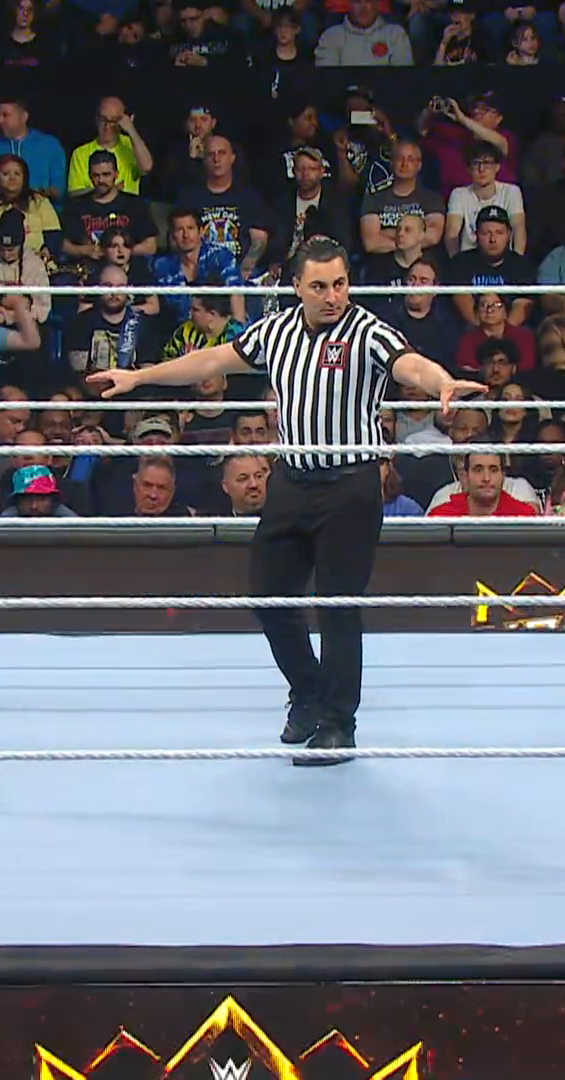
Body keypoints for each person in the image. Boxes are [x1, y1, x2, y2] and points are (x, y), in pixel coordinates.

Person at [87, 237, 483, 763]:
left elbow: (409, 365)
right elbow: (211, 360)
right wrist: (138, 376)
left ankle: (338, 724)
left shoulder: (367, 331)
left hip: (350, 484)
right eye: (319, 286)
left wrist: (442, 382)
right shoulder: (276, 332)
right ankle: (308, 691)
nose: (332, 296)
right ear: (296, 287)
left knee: (337, 606)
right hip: (293, 482)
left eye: (339, 284)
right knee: (268, 595)